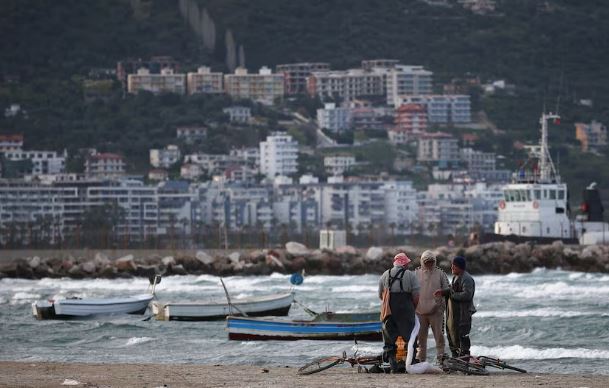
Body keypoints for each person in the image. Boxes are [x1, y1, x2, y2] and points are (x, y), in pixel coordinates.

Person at [378, 252, 420, 373]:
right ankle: (410, 365)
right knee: (410, 338)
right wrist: (412, 308)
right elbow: (416, 296)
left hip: (389, 311)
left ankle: (393, 367)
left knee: (389, 339)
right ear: (405, 263)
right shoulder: (410, 275)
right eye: (407, 263)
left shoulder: (385, 274)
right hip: (406, 310)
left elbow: (381, 295)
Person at [434, 256, 476, 358]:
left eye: (454, 265)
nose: (452, 267)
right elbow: (452, 290)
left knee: (462, 335)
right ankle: (455, 357)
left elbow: (467, 295)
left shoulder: (467, 279)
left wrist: (452, 296)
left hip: (463, 313)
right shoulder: (455, 277)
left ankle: (465, 359)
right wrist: (443, 292)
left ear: (460, 267)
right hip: (454, 314)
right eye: (452, 265)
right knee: (452, 334)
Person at [415, 250, 449, 364]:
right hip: (420, 312)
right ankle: (421, 360)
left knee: (439, 338)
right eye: (427, 262)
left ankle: (440, 360)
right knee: (421, 340)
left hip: (436, 312)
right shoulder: (415, 273)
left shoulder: (440, 273)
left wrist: (441, 296)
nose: (429, 264)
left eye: (431, 261)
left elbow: (448, 290)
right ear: (422, 262)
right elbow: (410, 291)